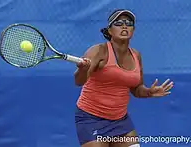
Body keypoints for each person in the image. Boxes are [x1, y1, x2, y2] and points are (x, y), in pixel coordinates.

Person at [74, 9, 174, 147]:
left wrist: (149, 92)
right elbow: (78, 81)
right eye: (118, 23)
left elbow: (136, 89)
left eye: (129, 23)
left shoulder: (136, 55)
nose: (124, 26)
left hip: (120, 120)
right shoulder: (98, 51)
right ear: (109, 31)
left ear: (133, 30)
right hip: (91, 118)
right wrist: (82, 70)